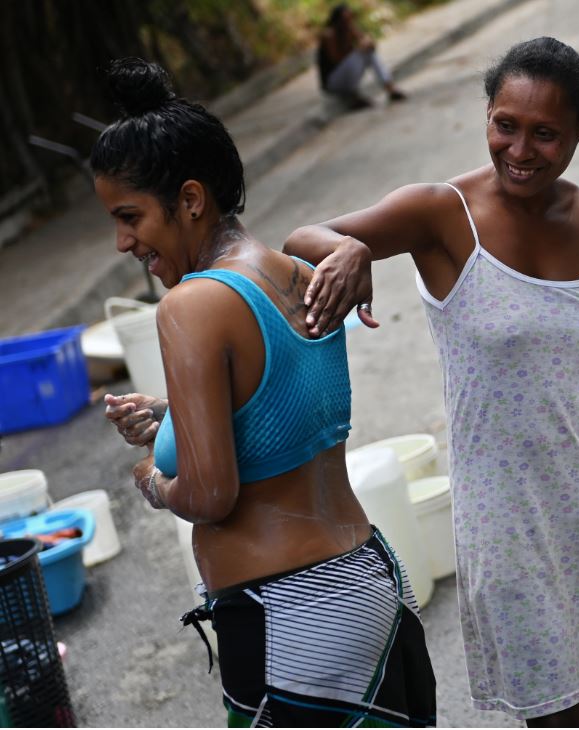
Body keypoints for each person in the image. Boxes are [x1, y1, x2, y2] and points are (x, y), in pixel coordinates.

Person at [285, 36, 579, 727]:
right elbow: (304, 236)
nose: (520, 149)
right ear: (487, 115)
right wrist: (350, 248)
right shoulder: (440, 214)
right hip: (508, 528)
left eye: (546, 134)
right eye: (505, 125)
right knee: (557, 717)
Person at [92, 58, 435, 727]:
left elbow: (212, 495)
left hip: (292, 624)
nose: (122, 241)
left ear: (191, 200)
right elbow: (276, 409)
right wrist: (170, 418)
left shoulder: (192, 306)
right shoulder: (304, 271)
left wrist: (155, 481)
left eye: (130, 217)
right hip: (368, 587)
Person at [318, 3, 407, 109]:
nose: (348, 21)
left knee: (369, 53)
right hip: (333, 81)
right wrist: (358, 49)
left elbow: (368, 43)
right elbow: (336, 59)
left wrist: (367, 42)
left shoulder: (349, 28)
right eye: (346, 19)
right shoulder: (329, 34)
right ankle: (354, 97)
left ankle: (390, 88)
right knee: (363, 53)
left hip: (346, 75)